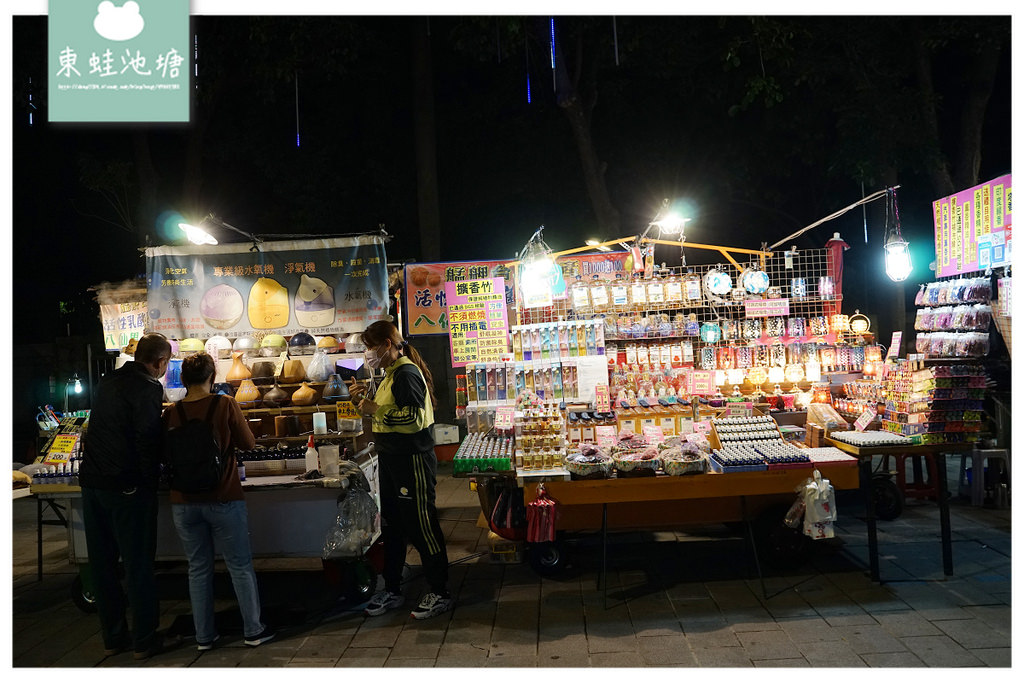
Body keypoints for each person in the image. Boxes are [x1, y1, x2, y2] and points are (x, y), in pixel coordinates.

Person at [162, 352, 275, 650]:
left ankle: (204, 637)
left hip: (183, 502)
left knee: (198, 568)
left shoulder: (170, 413)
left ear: (183, 379)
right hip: (224, 497)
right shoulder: (224, 404)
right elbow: (248, 443)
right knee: (239, 566)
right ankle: (253, 631)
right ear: (213, 377)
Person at [351, 320, 453, 620]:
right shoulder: (391, 374)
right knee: (392, 527)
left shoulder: (406, 373)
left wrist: (375, 410)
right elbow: (387, 414)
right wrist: (365, 403)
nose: (368, 354)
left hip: (413, 461)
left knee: (422, 525)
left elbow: (414, 419)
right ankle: (393, 588)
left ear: (386, 345)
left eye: (371, 347)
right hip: (392, 460)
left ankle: (440, 591)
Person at [80, 332, 174, 660]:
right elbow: (146, 439)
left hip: (92, 485)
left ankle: (113, 637)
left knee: (103, 565)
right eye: (166, 363)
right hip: (126, 487)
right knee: (138, 565)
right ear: (159, 362)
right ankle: (144, 641)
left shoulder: (107, 381)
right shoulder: (148, 387)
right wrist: (150, 480)